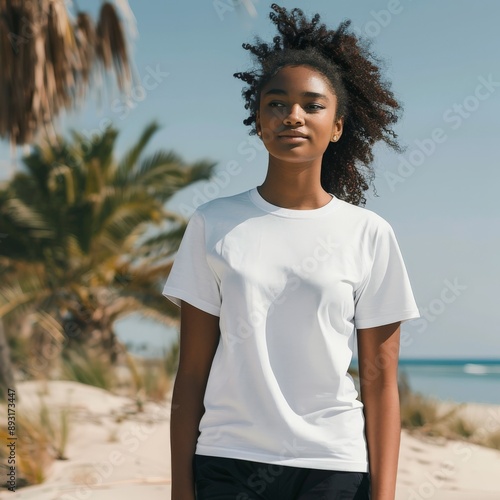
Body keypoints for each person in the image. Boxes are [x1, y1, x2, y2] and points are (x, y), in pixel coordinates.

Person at [163, 4, 420, 499]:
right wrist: (180, 488)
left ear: (338, 126)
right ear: (257, 120)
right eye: (276, 104)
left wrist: (384, 495)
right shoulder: (213, 224)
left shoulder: (369, 233)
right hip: (228, 461)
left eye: (312, 104)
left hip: (332, 467)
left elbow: (381, 383)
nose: (293, 116)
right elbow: (191, 372)